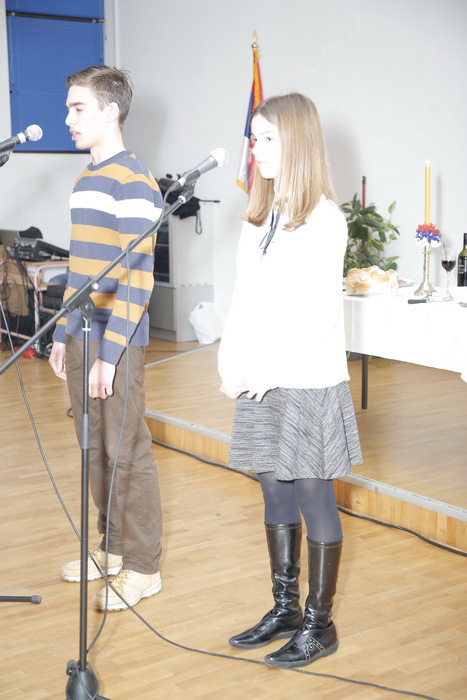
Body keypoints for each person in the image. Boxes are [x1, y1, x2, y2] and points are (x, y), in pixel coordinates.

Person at [218, 93, 362, 668]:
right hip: (260, 376)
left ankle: (320, 623)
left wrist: (269, 370)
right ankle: (285, 608)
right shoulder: (261, 216)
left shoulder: (324, 219)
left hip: (304, 377)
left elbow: (314, 314)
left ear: (297, 141)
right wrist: (232, 362)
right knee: (272, 488)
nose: (256, 148)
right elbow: (246, 298)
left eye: (267, 137)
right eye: (254, 137)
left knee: (312, 494)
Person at [49, 65, 163, 612]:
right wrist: (62, 334)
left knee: (127, 450)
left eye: (78, 108)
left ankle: (143, 567)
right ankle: (112, 548)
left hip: (117, 340)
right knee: (93, 446)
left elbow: (138, 280)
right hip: (82, 336)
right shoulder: (84, 180)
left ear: (110, 110)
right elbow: (80, 270)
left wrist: (109, 355)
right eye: (68, 108)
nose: (68, 119)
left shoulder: (135, 181)